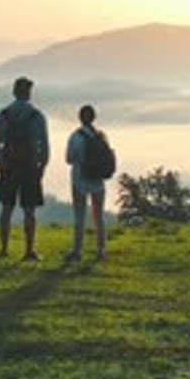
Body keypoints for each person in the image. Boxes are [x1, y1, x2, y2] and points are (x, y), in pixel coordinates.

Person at [0, 77, 49, 260]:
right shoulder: (37, 116)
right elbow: (45, 146)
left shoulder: (3, 115)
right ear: (29, 93)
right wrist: (41, 168)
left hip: (8, 167)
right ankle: (29, 250)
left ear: (14, 92)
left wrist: (1, 164)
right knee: (29, 210)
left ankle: (3, 249)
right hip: (30, 167)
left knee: (6, 208)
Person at [65, 104, 112, 261]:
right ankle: (101, 250)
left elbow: (69, 158)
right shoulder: (101, 136)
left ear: (80, 118)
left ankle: (77, 251)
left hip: (80, 179)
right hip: (98, 180)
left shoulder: (76, 136)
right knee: (98, 216)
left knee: (79, 215)